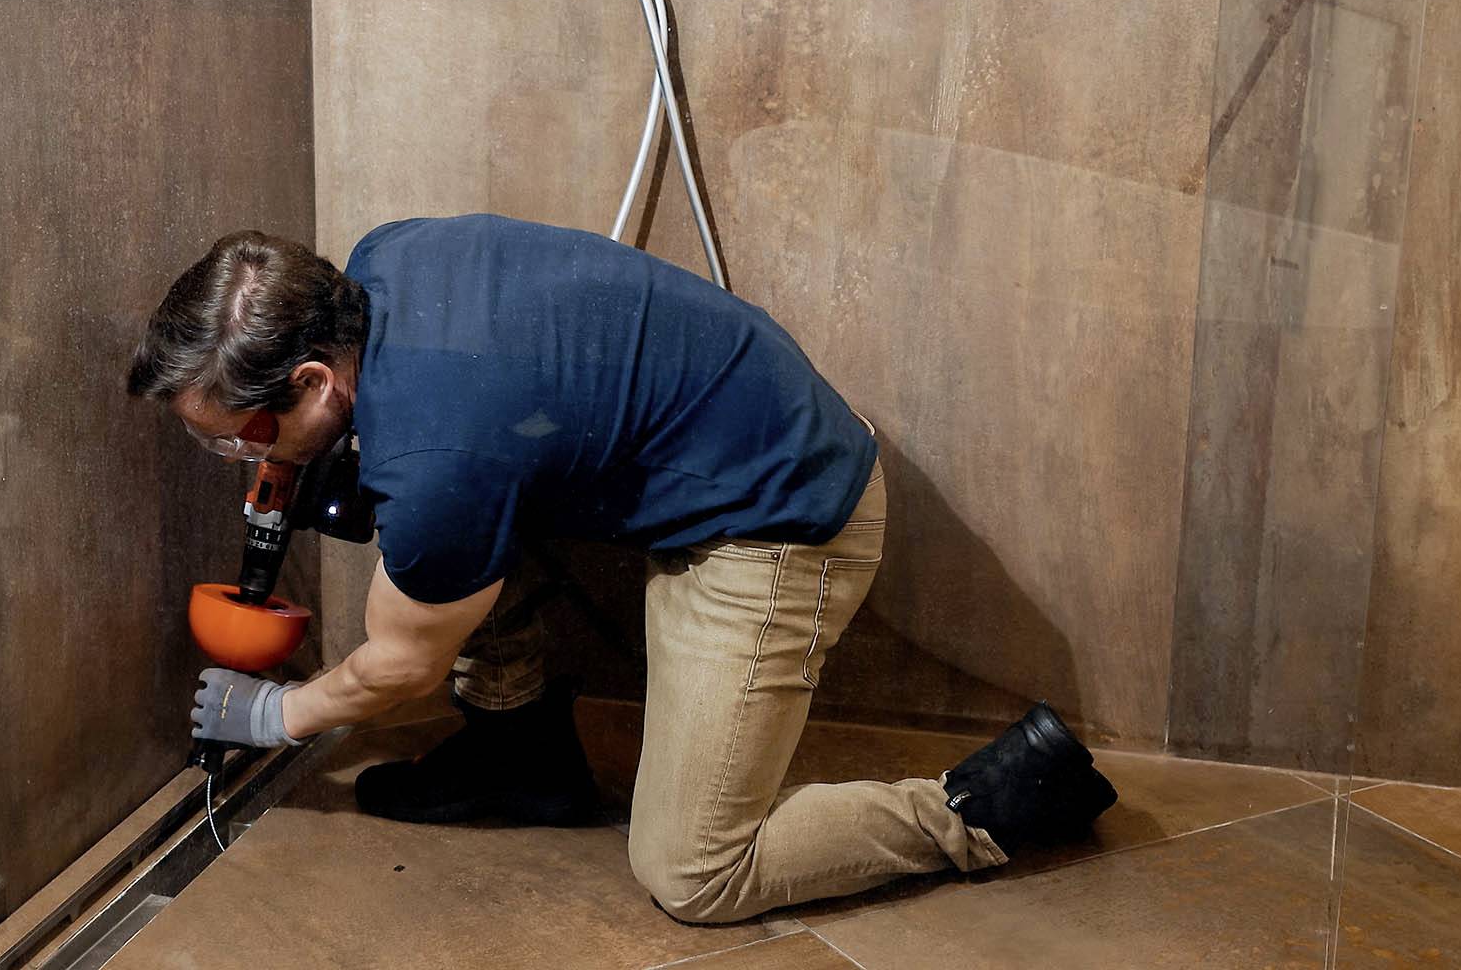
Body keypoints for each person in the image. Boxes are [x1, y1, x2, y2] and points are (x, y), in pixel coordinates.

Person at [127, 215, 1117, 923]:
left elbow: (402, 665)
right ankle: (525, 763)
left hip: (781, 519)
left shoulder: (438, 461)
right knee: (420, 522)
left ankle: (984, 809)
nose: (248, 460)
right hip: (735, 427)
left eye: (250, 434)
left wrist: (275, 716)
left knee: (696, 874)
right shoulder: (384, 262)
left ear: (313, 380)